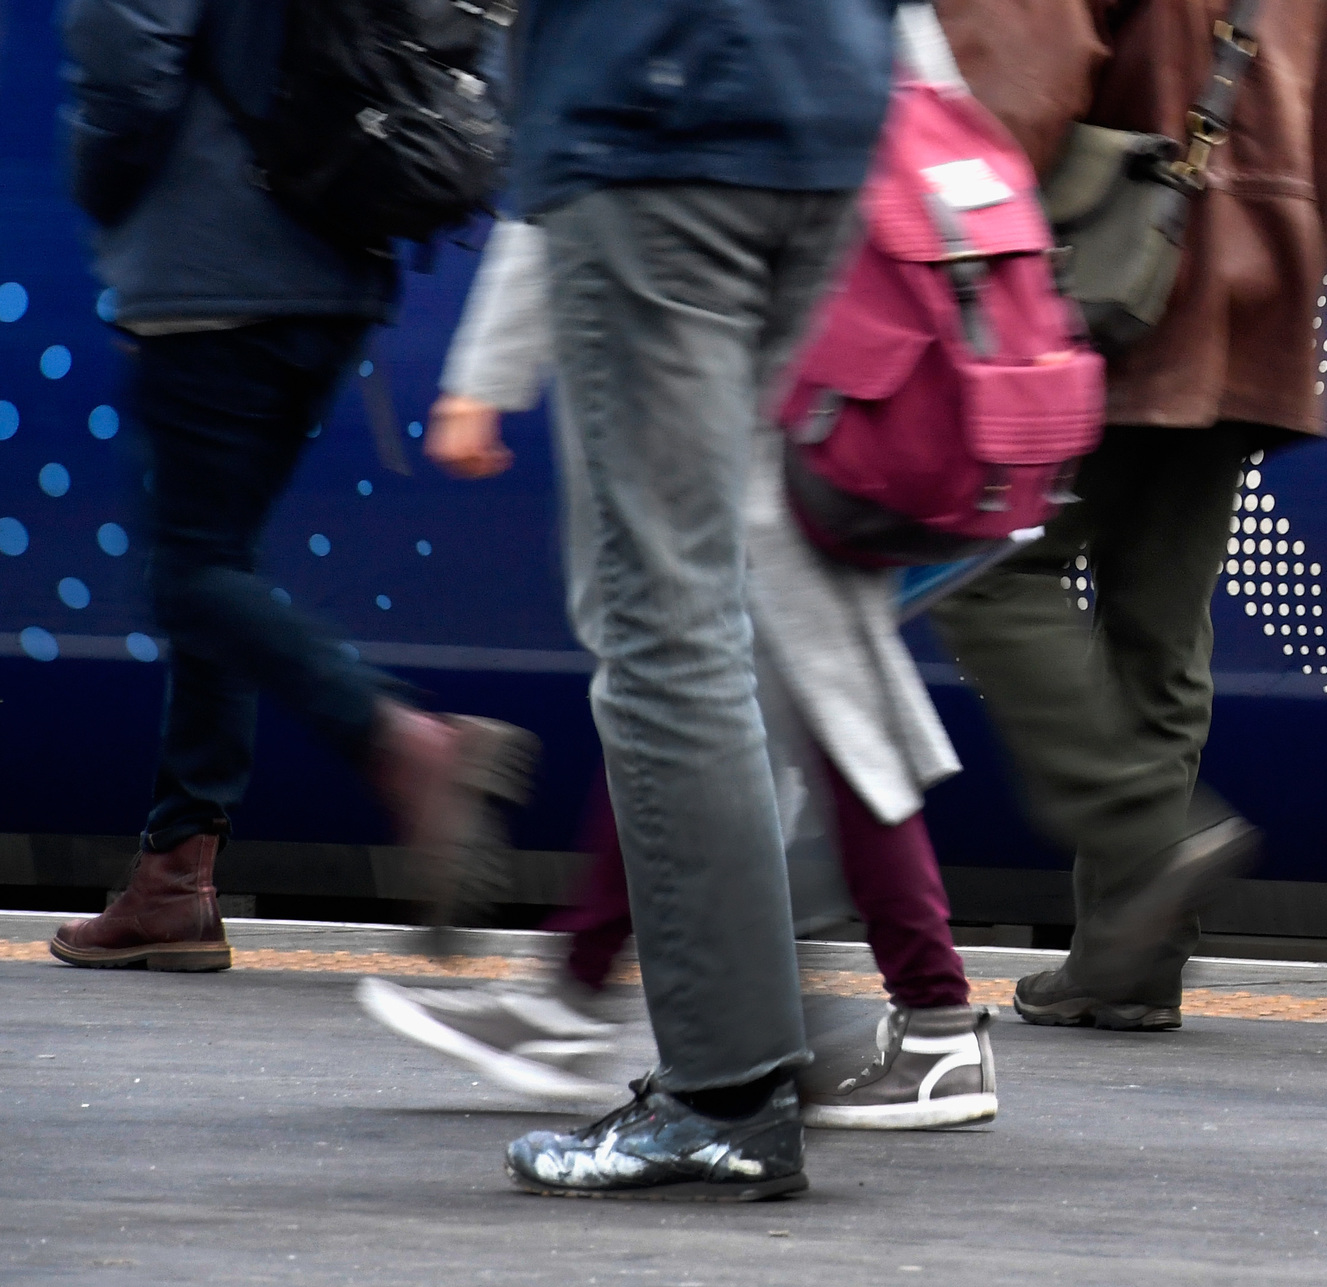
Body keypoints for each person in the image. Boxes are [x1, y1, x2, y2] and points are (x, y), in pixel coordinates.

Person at [443, 0, 972, 1198]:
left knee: (659, 614)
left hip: (650, 145)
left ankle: (730, 1091)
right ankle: (769, 1027)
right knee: (759, 597)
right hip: (825, 155)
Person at [52, 0, 535, 975]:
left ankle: (410, 746)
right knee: (227, 562)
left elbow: (122, 67)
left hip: (207, 268)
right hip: (341, 263)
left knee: (192, 573)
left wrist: (111, 197)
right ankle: (176, 873)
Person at [927, 0, 1327, 1031]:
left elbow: (1008, 97)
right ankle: (1129, 958)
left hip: (1084, 300)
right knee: (1162, 633)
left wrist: (948, 292)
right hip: (1245, 307)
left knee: (984, 570)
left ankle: (1141, 832)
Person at [357, 208, 996, 1130]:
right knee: (752, 689)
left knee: (719, 685)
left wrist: (485, 375)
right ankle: (590, 995)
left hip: (726, 362)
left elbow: (576, 158)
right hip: (805, 356)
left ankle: (924, 1020)